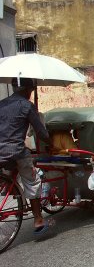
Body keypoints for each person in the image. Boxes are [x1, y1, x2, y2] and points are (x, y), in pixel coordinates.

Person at [0, 78, 51, 235]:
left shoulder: (1, 104)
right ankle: (38, 219)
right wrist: (50, 142)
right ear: (27, 90)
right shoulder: (27, 106)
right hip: (16, 152)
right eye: (30, 90)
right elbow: (41, 133)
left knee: (9, 176)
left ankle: (12, 189)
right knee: (32, 181)